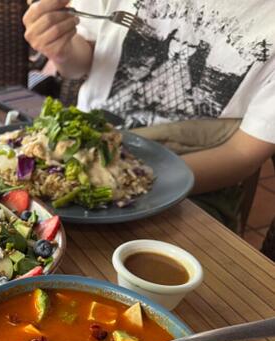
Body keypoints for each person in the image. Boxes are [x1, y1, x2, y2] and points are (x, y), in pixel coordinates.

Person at [23, 0, 275, 231]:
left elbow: (243, 153)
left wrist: (128, 177)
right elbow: (81, 62)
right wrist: (61, 48)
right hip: (80, 151)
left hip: (197, 183)